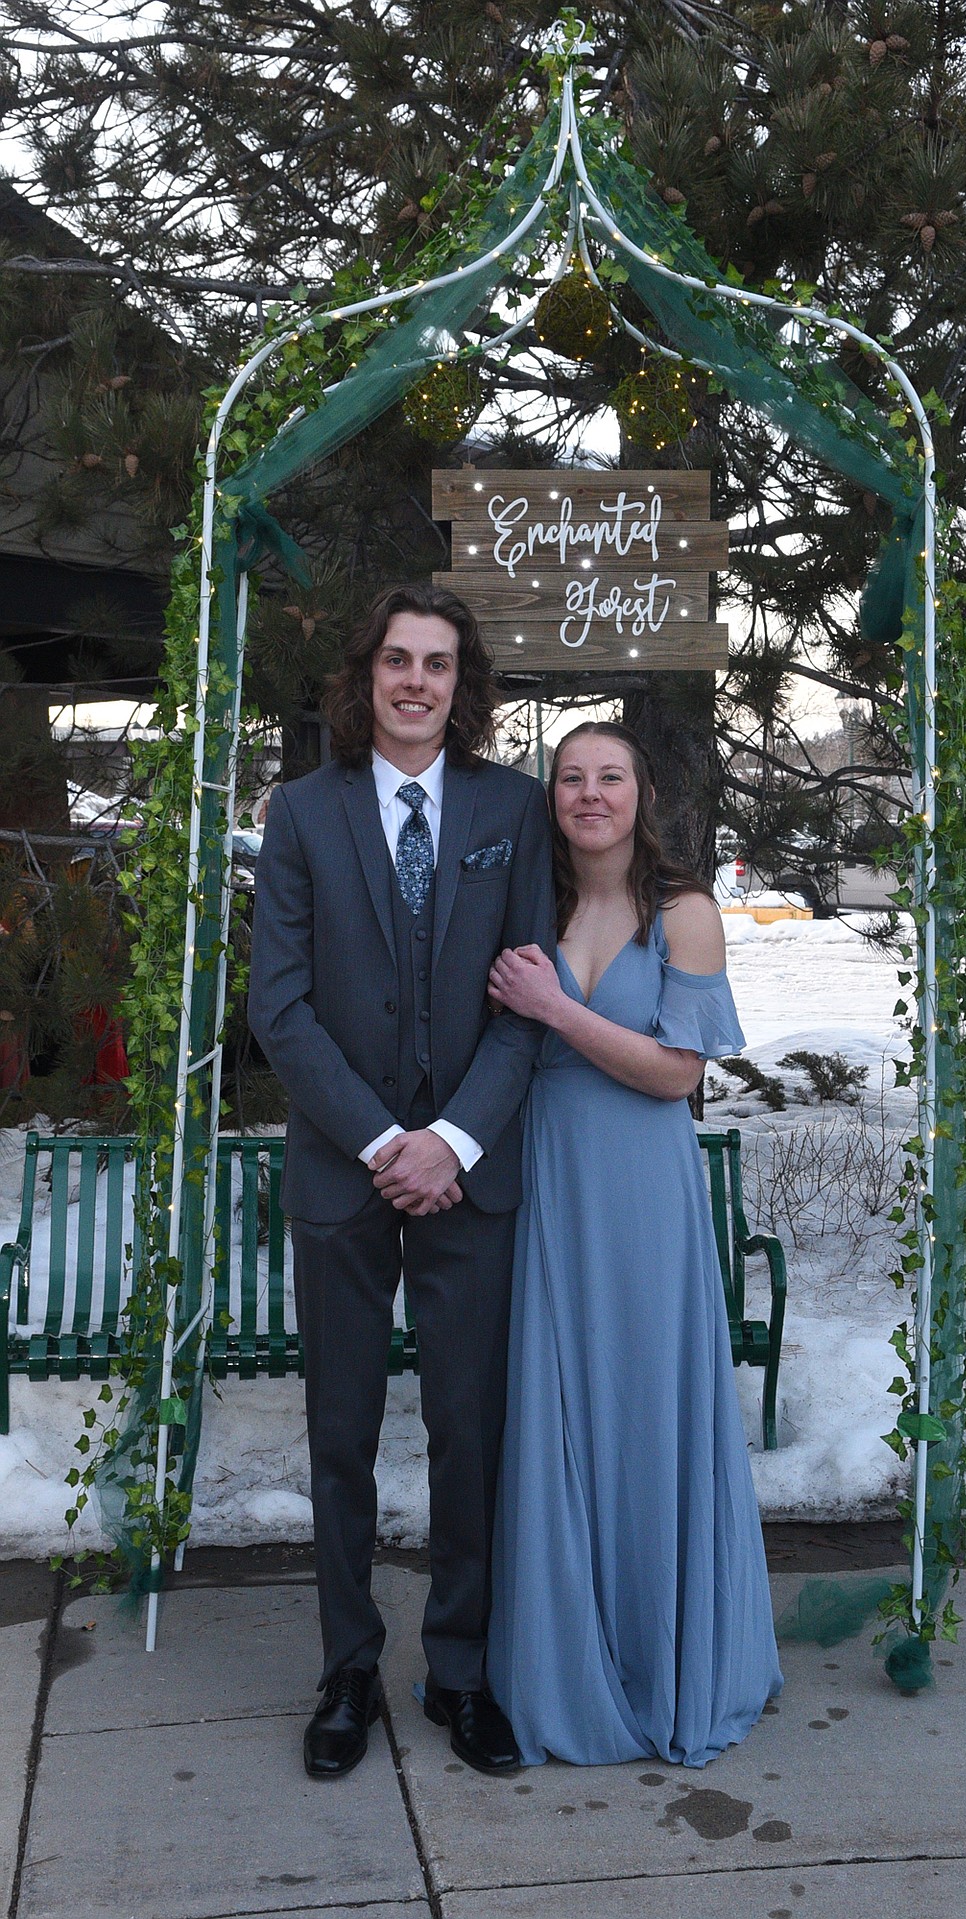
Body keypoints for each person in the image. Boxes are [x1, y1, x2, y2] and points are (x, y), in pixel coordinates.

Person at [249, 582, 555, 1781]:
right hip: (345, 1170)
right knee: (342, 1431)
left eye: (437, 662)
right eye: (396, 660)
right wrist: (387, 1141)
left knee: (471, 1428)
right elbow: (279, 1004)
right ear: (366, 676)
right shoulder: (303, 814)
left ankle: (461, 1670)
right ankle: (345, 1667)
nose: (416, 679)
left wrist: (456, 1141)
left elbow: (533, 1002)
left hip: (472, 1176)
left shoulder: (513, 809)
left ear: (459, 681)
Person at [485, 721, 781, 1768]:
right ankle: (573, 1664)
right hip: (552, 1182)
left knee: (649, 1411)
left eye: (610, 775)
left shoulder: (685, 912)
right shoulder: (535, 902)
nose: (590, 793)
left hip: (643, 1192)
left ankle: (667, 1660)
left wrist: (557, 1009)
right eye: (571, 777)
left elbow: (676, 1073)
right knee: (565, 1411)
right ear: (550, 795)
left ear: (641, 792)